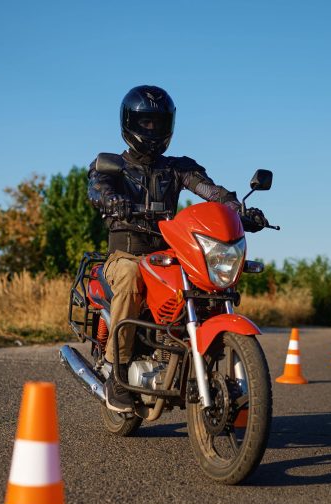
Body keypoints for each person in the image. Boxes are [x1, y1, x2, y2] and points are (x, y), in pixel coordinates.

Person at [87, 85, 268, 413]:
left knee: (206, 282)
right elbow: (97, 188)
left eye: (159, 122)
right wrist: (113, 201)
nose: (152, 130)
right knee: (129, 276)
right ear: (130, 124)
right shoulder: (111, 164)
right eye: (146, 123)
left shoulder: (178, 168)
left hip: (170, 254)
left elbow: (209, 190)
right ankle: (117, 371)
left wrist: (236, 209)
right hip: (127, 253)